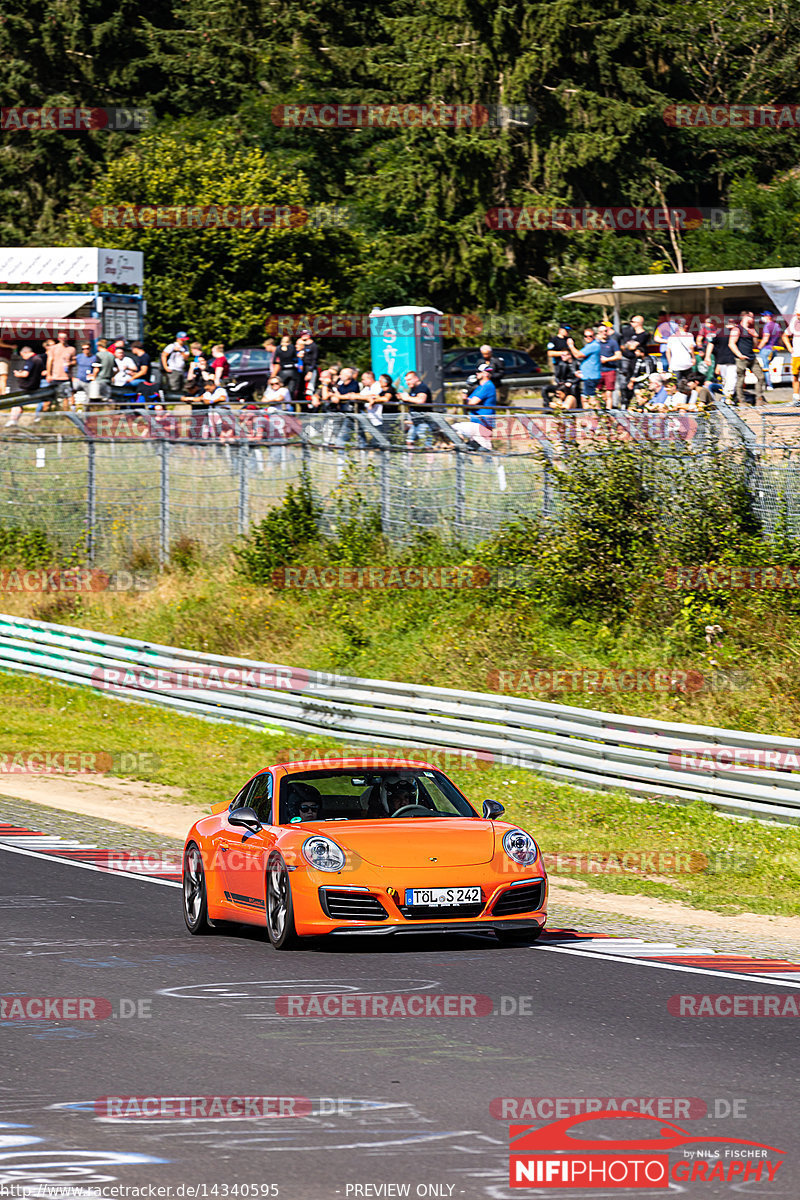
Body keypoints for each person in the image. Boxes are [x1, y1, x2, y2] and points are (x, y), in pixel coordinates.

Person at [454, 365, 497, 446]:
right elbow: (467, 403)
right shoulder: (480, 387)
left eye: (479, 371)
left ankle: (460, 448)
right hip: (476, 423)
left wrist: (467, 400)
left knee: (453, 428)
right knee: (478, 450)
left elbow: (472, 402)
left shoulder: (487, 386)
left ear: (485, 374)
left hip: (482, 425)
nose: (476, 373)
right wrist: (466, 400)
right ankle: (461, 449)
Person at [729, 311, 765, 406]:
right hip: (742, 358)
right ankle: (741, 401)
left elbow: (754, 345)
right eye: (751, 317)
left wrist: (755, 336)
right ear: (745, 317)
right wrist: (739, 355)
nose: (753, 319)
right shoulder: (737, 329)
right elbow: (731, 343)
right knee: (741, 380)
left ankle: (759, 399)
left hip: (752, 357)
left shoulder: (751, 329)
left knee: (761, 377)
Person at [5, 346, 45, 426]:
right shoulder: (39, 359)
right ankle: (14, 421)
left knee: (16, 402)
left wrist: (18, 373)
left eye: (23, 355)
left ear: (25, 352)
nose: (23, 358)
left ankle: (13, 420)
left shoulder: (31, 360)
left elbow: (25, 374)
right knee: (19, 403)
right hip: (35, 385)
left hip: (26, 386)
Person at [705, 317, 738, 402]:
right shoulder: (737, 332)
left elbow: (711, 343)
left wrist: (707, 356)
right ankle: (728, 399)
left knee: (726, 380)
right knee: (731, 380)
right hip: (732, 360)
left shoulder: (719, 332)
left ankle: (727, 398)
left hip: (721, 360)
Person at [400, 370, 434, 445]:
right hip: (415, 422)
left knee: (427, 445)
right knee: (409, 441)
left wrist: (407, 398)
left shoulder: (422, 387)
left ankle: (430, 456)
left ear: (416, 378)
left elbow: (421, 400)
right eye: (406, 380)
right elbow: (412, 401)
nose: (407, 382)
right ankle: (410, 456)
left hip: (423, 421)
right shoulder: (413, 388)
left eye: (409, 380)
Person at [46, 329, 76, 409]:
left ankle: (66, 413)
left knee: (67, 396)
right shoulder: (53, 348)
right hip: (55, 376)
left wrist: (70, 364)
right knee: (50, 397)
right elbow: (49, 361)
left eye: (64, 338)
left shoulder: (71, 349)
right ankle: (46, 414)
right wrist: (49, 374)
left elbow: (74, 362)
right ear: (58, 339)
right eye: (61, 338)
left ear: (67, 338)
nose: (63, 339)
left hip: (66, 376)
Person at [573, 327, 604, 407]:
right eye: (586, 336)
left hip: (591, 377)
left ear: (594, 336)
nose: (588, 338)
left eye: (590, 336)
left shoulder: (593, 345)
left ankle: (597, 416)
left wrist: (570, 345)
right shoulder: (589, 346)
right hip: (588, 376)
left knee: (591, 398)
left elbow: (577, 355)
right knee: (585, 398)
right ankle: (589, 416)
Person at [757, 311, 782, 392]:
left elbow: (765, 338)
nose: (763, 318)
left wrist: (759, 347)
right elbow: (780, 338)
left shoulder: (767, 326)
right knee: (768, 366)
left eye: (764, 316)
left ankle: (768, 385)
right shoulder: (777, 325)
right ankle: (768, 384)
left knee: (765, 367)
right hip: (774, 349)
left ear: (768, 317)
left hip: (766, 349)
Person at [597, 325, 622, 407]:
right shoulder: (596, 343)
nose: (604, 333)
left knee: (609, 393)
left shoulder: (612, 342)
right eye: (601, 332)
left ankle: (609, 412)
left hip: (610, 370)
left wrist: (607, 359)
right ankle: (597, 411)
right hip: (598, 370)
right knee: (597, 392)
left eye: (605, 331)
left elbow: (618, 355)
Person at [665, 317, 696, 382]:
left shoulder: (671, 337)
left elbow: (668, 351)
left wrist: (670, 363)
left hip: (675, 364)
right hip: (687, 362)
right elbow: (691, 347)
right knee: (689, 382)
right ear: (686, 326)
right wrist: (693, 358)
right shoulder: (689, 335)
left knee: (676, 382)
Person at [781, 307, 800, 404]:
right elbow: (784, 336)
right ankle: (796, 398)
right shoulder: (794, 323)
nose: (797, 316)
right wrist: (790, 348)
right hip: (797, 355)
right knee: (795, 376)